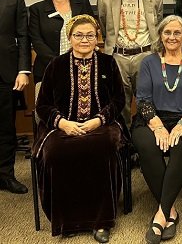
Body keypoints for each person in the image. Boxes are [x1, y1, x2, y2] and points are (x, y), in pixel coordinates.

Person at [33, 15, 126, 242]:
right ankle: (67, 221)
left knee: (102, 147)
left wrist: (98, 120)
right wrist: (63, 123)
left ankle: (102, 222)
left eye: (90, 35)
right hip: (63, 126)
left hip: (100, 126)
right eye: (79, 35)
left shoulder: (108, 63)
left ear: (97, 39)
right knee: (55, 152)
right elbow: (42, 105)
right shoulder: (56, 65)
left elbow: (118, 100)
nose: (84, 40)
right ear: (70, 38)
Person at [131, 15, 182, 243]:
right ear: (160, 35)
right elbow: (143, 99)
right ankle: (171, 212)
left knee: (181, 143)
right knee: (147, 144)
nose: (172, 37)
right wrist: (157, 126)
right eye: (167, 32)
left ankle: (161, 215)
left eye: (177, 32)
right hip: (153, 117)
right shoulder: (148, 62)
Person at [97, 0, 163, 125]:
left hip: (146, 55)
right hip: (118, 57)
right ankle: (124, 139)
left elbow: (158, 29)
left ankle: (145, 136)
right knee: (121, 102)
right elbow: (104, 29)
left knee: (147, 100)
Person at [29, 0, 94, 83]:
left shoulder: (84, 4)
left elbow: (91, 33)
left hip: (82, 67)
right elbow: (37, 41)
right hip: (48, 69)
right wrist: (60, 63)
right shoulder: (37, 9)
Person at [0, 0, 30, 195]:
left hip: (6, 71)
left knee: (6, 127)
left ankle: (6, 176)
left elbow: (23, 34)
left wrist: (22, 70)